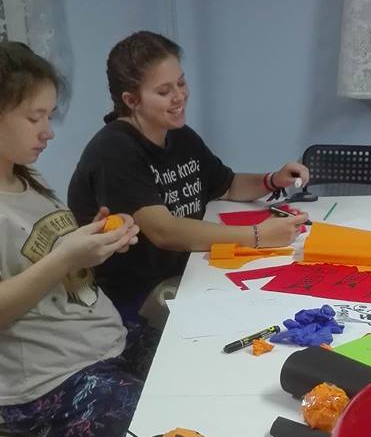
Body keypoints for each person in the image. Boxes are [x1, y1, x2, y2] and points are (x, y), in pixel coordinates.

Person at [68, 31, 309, 316]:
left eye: (181, 83)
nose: (179, 96)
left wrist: (272, 179)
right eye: (164, 91)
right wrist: (257, 235)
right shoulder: (114, 151)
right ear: (131, 100)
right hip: (139, 296)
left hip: (190, 269)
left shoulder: (179, 135)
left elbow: (228, 185)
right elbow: (164, 231)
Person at [0, 41, 159, 437]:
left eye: (49, 116)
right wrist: (67, 256)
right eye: (34, 117)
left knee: (204, 370)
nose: (48, 131)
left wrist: (95, 238)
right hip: (49, 378)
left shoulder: (25, 178)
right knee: (169, 433)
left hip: (103, 339)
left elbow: (42, 254)